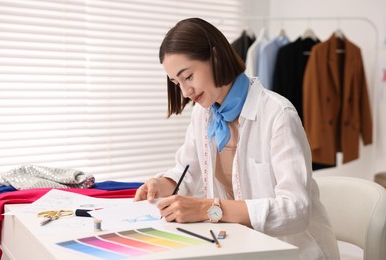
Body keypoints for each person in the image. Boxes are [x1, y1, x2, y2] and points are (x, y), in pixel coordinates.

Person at [134, 18, 340, 260]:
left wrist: (207, 208)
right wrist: (163, 184)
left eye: (188, 76)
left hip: (293, 252)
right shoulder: (203, 114)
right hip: (239, 247)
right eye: (176, 83)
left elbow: (295, 210)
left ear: (216, 57)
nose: (185, 92)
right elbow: (187, 171)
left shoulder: (278, 115)